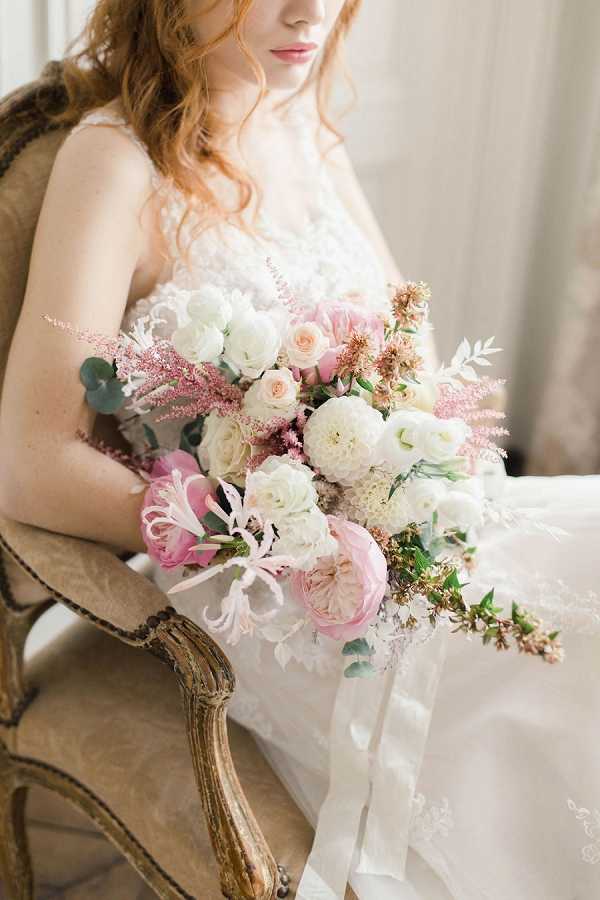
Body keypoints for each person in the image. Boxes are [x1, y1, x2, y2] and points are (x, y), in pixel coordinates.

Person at [1, 2, 599, 898]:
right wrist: (257, 525)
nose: (311, 10)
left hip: (401, 531)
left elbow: (413, 355)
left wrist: (406, 463)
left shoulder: (306, 128)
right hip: (272, 602)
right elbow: (32, 455)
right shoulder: (114, 162)